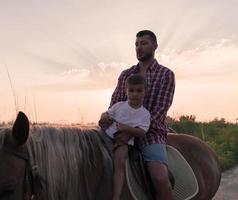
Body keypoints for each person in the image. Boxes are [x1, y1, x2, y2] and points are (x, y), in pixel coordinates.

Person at [109, 30, 175, 200]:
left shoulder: (166, 75)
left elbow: (160, 110)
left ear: (155, 46)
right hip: (121, 131)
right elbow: (115, 104)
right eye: (136, 44)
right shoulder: (126, 74)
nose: (139, 47)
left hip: (150, 132)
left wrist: (132, 130)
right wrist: (116, 128)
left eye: (144, 43)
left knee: (160, 178)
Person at [99, 74, 151, 200]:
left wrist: (126, 128)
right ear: (126, 91)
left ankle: (116, 196)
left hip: (124, 142)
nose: (135, 94)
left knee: (120, 162)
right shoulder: (119, 106)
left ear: (145, 92)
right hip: (106, 135)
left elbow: (142, 132)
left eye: (139, 90)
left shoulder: (144, 114)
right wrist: (105, 116)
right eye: (131, 90)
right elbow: (106, 114)